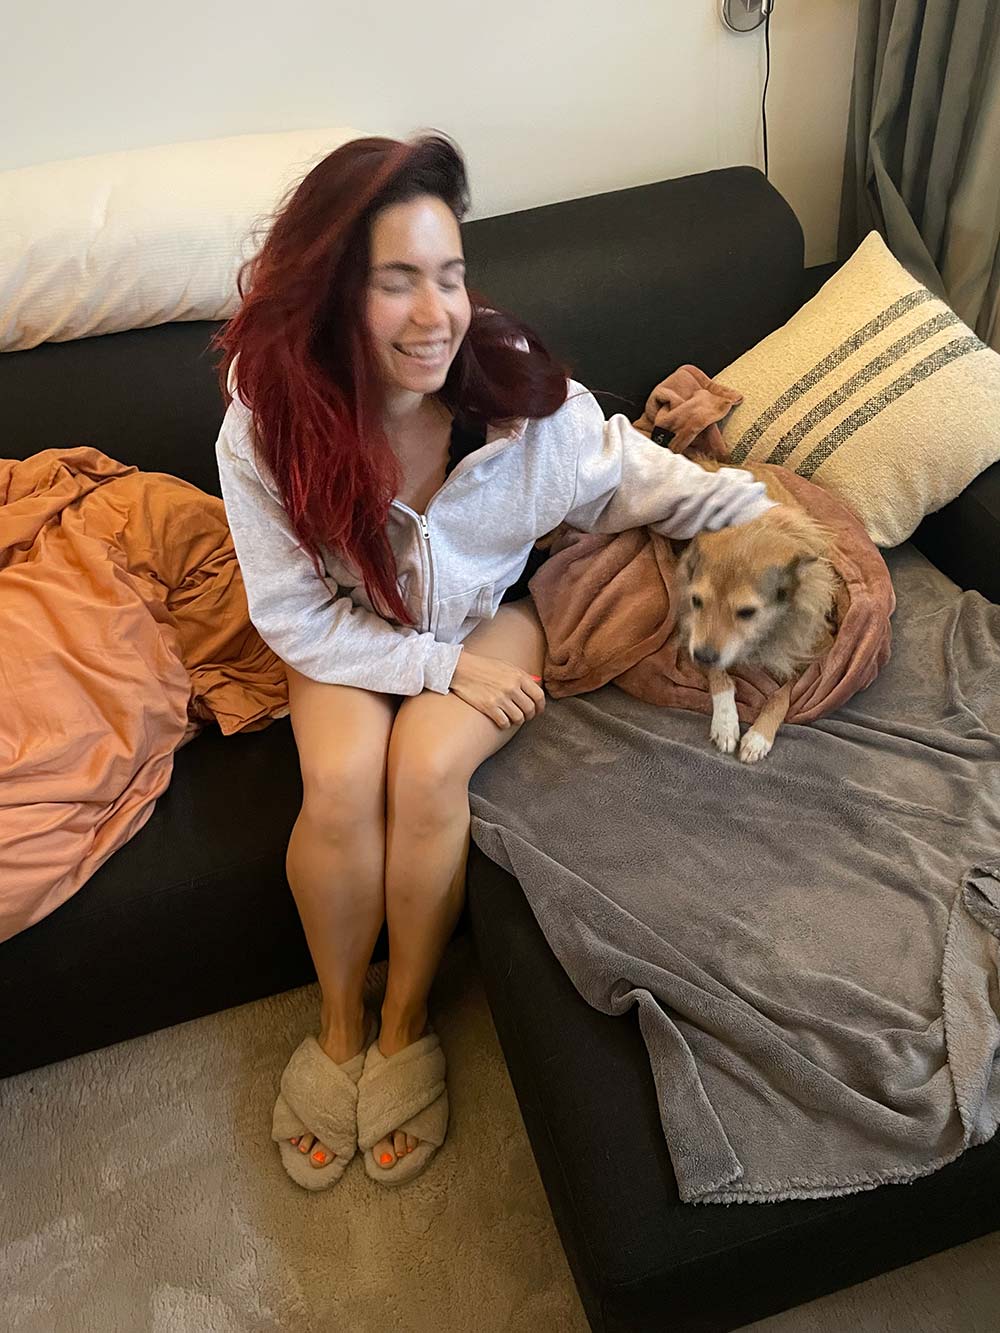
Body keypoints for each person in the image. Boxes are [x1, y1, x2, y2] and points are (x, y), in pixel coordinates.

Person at [214, 133, 775, 1191]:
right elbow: (290, 613)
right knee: (340, 781)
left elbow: (628, 473)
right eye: (396, 281)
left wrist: (765, 513)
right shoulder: (266, 426)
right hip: (349, 628)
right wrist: (435, 668)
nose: (436, 313)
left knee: (428, 770)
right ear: (330, 293)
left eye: (451, 274)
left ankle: (403, 1020)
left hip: (494, 614)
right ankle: (338, 1023)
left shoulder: (520, 399)